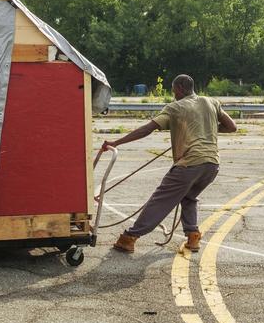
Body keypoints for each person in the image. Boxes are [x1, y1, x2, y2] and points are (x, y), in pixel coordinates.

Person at [101, 74, 237, 253]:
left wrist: (116, 142)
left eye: (173, 90)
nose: (173, 94)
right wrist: (205, 129)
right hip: (212, 165)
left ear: (179, 89)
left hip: (190, 164)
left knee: (160, 200)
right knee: (188, 198)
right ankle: (193, 236)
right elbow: (232, 127)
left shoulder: (175, 107)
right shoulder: (211, 102)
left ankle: (130, 237)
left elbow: (147, 129)